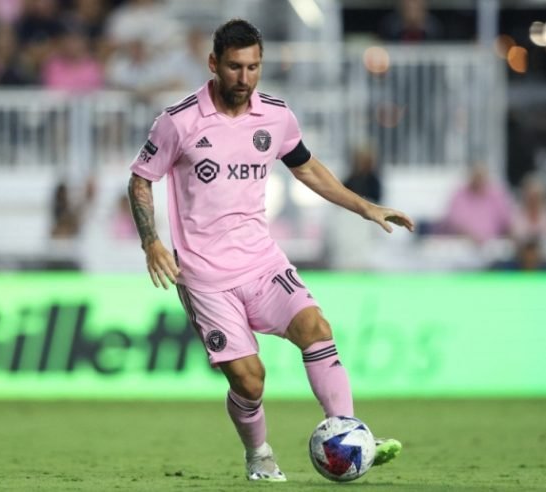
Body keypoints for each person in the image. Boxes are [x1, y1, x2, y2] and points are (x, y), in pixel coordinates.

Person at [127, 19, 413, 482]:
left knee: (316, 327)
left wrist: (364, 207)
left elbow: (307, 168)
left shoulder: (276, 115)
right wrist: (151, 242)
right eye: (236, 67)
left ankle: (349, 431)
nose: (245, 78)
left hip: (262, 262)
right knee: (249, 378)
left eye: (254, 67)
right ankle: (258, 453)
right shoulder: (178, 120)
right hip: (205, 277)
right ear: (214, 63)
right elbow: (141, 179)